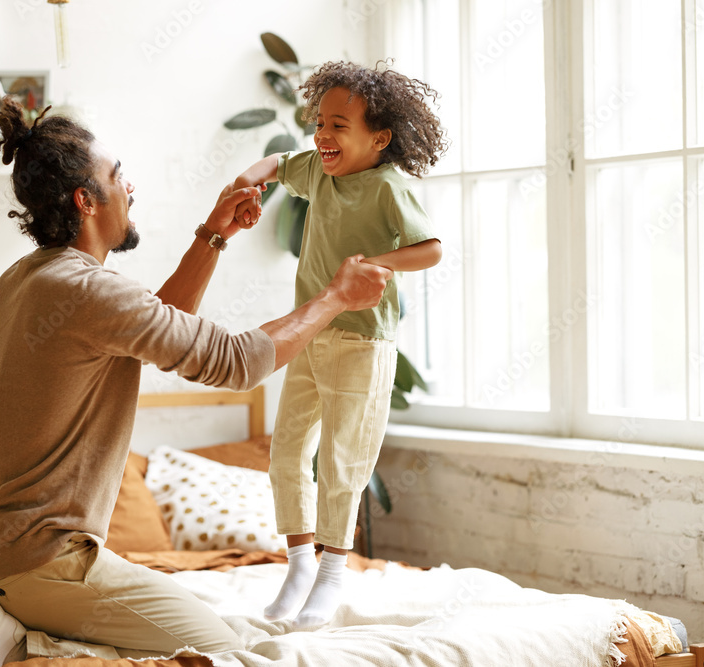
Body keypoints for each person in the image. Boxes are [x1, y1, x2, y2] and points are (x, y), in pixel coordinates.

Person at [0, 96, 393, 664]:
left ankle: (26, 619)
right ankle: (36, 633)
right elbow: (238, 363)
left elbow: (160, 320)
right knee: (232, 654)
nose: (131, 188)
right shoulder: (89, 291)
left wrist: (214, 234)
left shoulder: (27, 279)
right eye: (119, 177)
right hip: (46, 562)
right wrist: (335, 298)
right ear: (85, 200)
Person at [231, 60, 447, 628]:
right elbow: (280, 164)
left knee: (342, 460)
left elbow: (430, 249)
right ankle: (300, 563)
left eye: (338, 126)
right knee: (287, 452)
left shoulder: (389, 187)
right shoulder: (320, 172)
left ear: (379, 137)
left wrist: (374, 264)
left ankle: (332, 573)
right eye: (319, 123)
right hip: (309, 334)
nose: (322, 136)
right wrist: (248, 181)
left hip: (361, 342)